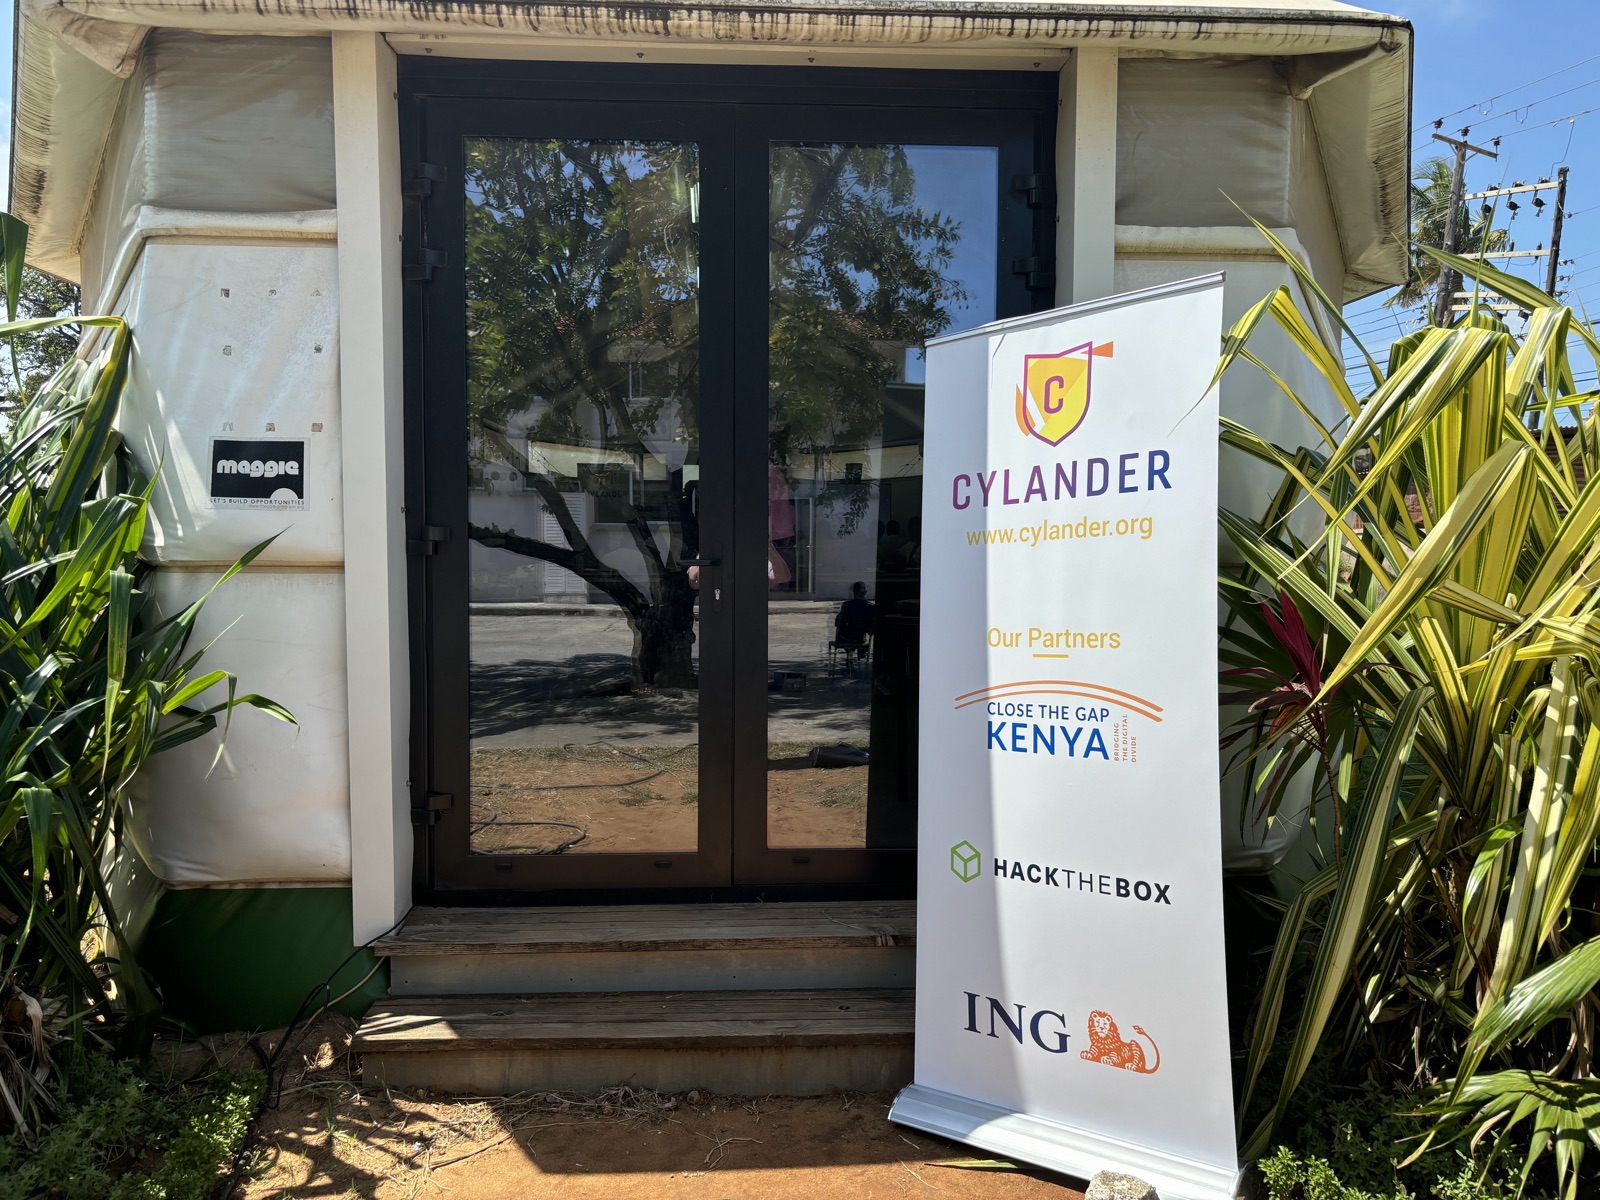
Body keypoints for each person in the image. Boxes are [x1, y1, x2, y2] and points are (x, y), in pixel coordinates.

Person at [834, 581, 875, 647]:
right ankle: (862, 654)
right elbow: (871, 629)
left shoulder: (846, 605)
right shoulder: (869, 606)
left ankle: (850, 652)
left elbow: (837, 622)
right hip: (859, 639)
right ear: (864, 592)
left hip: (844, 638)